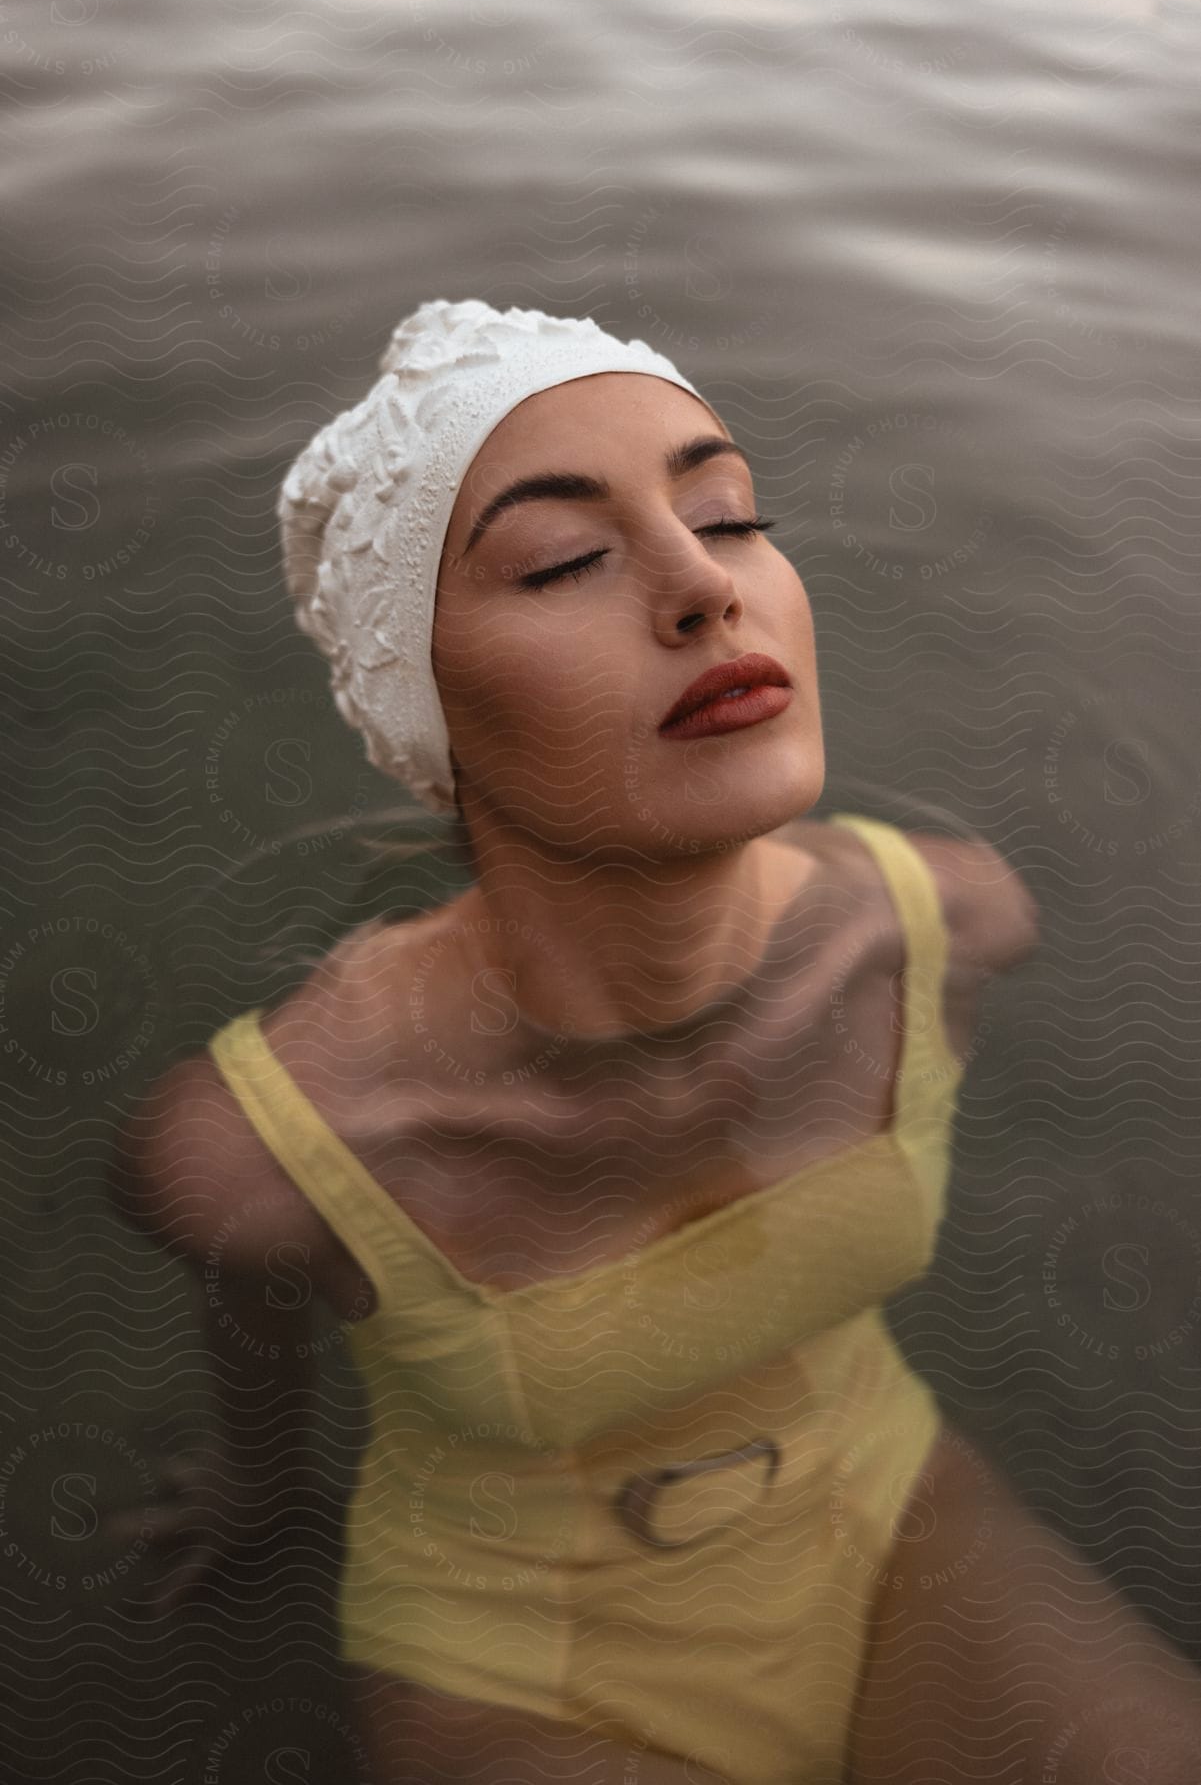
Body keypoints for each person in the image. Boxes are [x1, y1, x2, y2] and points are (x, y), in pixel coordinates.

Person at [106, 302, 1201, 1783]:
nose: (702, 586)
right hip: (516, 1658)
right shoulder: (266, 1150)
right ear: (425, 710)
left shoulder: (940, 928)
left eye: (730, 514)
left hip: (889, 1512)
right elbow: (251, 1328)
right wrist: (257, 1489)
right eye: (562, 560)